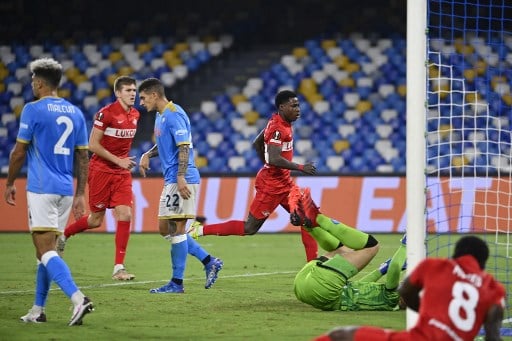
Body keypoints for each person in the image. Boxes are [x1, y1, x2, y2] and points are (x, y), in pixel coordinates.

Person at [4, 57, 94, 325]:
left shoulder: (33, 110)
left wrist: (9, 182)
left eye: (33, 80)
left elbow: (19, 152)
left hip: (42, 188)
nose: (32, 84)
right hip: (66, 189)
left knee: (44, 250)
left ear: (40, 82)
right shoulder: (75, 113)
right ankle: (38, 310)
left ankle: (78, 299)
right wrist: (80, 194)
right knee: (46, 251)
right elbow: (83, 157)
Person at [188, 90, 319, 261]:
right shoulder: (278, 128)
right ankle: (198, 230)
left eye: (298, 105)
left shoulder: (280, 122)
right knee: (249, 228)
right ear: (282, 107)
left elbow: (257, 143)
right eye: (293, 105)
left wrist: (268, 164)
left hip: (284, 182)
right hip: (271, 186)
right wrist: (300, 167)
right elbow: (273, 157)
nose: (298, 109)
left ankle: (313, 263)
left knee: (306, 217)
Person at [314, 235, 506, 341]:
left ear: (455, 255)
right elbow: (493, 337)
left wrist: (428, 312)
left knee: (341, 335)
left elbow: (404, 291)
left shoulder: (435, 266)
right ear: (481, 264)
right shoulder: (495, 290)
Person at [137, 77, 223, 293]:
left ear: (155, 95)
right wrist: (148, 154)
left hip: (181, 178)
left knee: (178, 229)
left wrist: (181, 176)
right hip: (171, 179)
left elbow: (184, 147)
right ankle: (208, 261)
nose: (141, 102)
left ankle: (177, 283)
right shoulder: (161, 116)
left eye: (143, 97)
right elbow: (166, 144)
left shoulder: (174, 114)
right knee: (164, 228)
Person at [59, 76, 140, 281]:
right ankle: (64, 234)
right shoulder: (106, 114)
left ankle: (118, 268)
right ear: (118, 93)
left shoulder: (136, 114)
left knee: (125, 215)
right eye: (128, 90)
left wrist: (123, 163)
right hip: (101, 171)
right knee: (95, 220)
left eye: (134, 90)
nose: (133, 93)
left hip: (121, 174)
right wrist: (118, 160)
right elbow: (92, 145)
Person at [290, 187, 407, 312]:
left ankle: (318, 219)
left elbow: (395, 267)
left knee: (372, 246)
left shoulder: (393, 297)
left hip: (325, 287)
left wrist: (406, 244)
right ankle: (308, 225)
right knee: (343, 250)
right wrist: (381, 270)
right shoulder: (383, 299)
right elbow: (362, 284)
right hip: (304, 287)